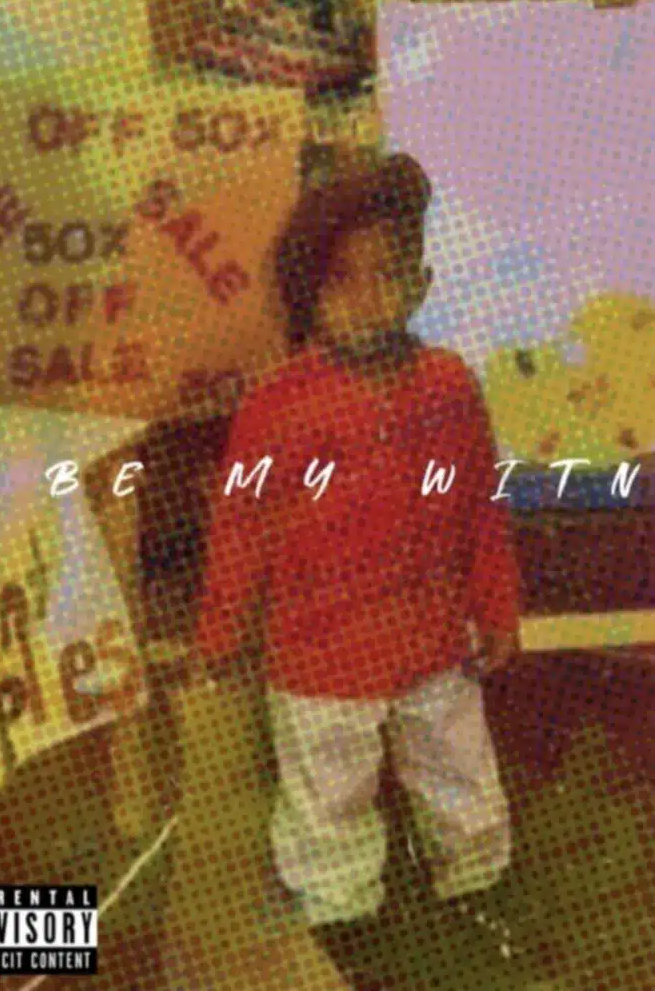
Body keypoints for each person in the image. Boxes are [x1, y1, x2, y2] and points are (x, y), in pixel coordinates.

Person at [193, 152, 529, 984]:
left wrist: (497, 608)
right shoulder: (274, 406)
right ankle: (341, 920)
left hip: (431, 642)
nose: (370, 298)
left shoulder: (449, 386)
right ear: (307, 293)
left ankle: (476, 885)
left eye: (390, 274)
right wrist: (220, 632)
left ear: (422, 283)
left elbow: (479, 507)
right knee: (327, 798)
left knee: (460, 774)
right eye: (343, 279)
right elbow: (239, 526)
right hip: (318, 659)